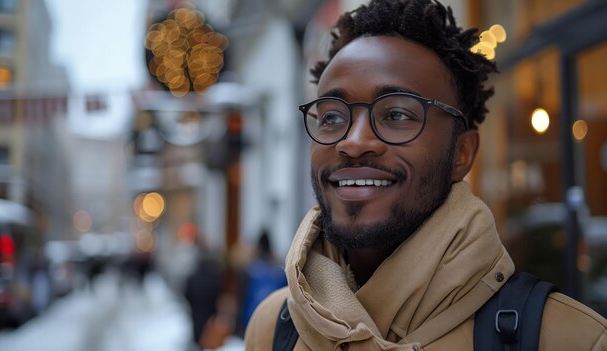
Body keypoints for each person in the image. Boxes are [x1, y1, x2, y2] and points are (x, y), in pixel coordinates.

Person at [244, 0, 607, 350]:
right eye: (332, 117)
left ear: (462, 154)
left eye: (397, 115)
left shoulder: (566, 338)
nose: (353, 143)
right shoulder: (273, 327)